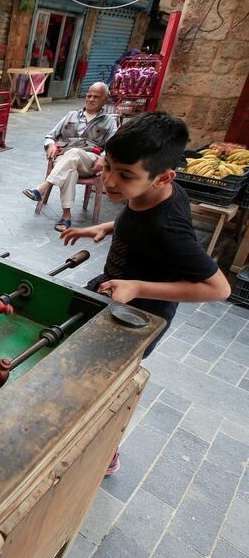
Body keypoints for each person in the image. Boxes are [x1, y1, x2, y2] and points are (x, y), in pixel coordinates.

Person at [59, 112, 231, 474]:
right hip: (114, 290)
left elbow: (219, 288)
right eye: (108, 167)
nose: (109, 181)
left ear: (163, 177)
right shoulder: (152, 194)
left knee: (110, 385)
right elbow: (136, 217)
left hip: (139, 316)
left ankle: (107, 452)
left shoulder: (170, 228)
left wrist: (138, 286)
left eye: (125, 176)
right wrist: (105, 227)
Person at [23, 82, 118, 232]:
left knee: (74, 154)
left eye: (96, 97)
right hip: (66, 158)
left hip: (89, 160)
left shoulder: (109, 121)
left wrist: (104, 157)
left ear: (104, 100)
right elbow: (50, 136)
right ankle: (66, 216)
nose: (91, 99)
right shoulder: (71, 115)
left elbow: (114, 145)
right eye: (89, 96)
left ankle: (44, 186)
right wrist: (51, 145)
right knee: (70, 171)